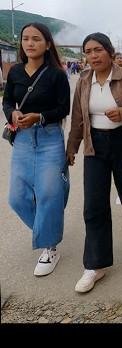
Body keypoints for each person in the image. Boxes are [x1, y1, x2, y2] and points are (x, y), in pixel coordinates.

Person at [66, 32, 122, 293]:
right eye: (88, 51)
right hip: (95, 146)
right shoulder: (83, 80)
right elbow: (78, 117)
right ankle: (95, 265)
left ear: (110, 51)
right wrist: (72, 147)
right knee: (94, 205)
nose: (93, 55)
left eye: (98, 50)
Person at [2, 22, 71, 276]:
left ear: (48, 44)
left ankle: (50, 246)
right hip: (22, 139)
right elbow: (8, 100)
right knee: (17, 197)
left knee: (50, 194)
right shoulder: (16, 72)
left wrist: (39, 116)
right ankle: (47, 230)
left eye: (36, 39)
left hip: (50, 138)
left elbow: (64, 109)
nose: (29, 43)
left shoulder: (57, 74)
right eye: (26, 38)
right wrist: (13, 112)